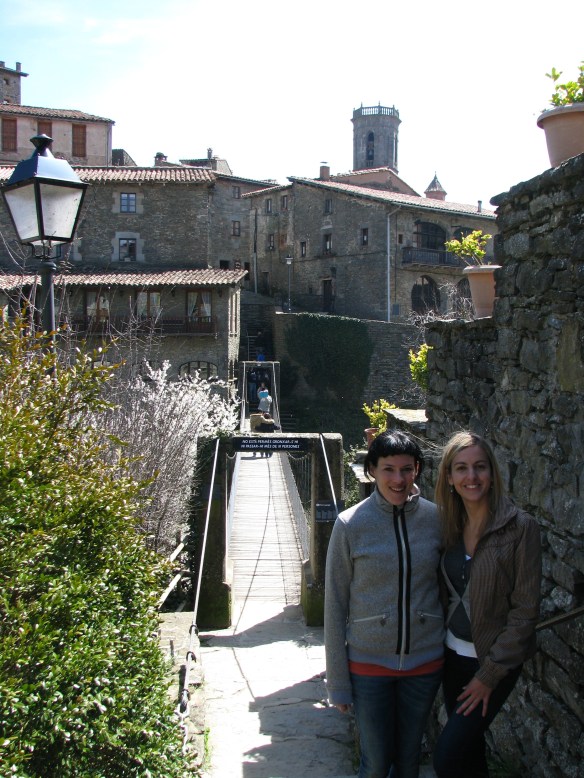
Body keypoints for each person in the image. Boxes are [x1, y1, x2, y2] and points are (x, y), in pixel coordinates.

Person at [324, 430, 444, 778]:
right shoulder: (350, 525)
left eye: (407, 469)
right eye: (388, 469)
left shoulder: (436, 520)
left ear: (417, 470)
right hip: (368, 667)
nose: (398, 479)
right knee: (375, 764)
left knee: (408, 763)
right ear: (371, 471)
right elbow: (334, 605)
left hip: (424, 663)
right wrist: (338, 682)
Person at [432, 431, 541, 778]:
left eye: (480, 467)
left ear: (492, 473)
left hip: (491, 663)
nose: (472, 477)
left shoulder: (520, 528)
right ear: (449, 477)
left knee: (446, 758)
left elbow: (525, 611)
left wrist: (490, 675)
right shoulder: (448, 524)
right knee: (469, 755)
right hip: (451, 659)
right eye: (461, 469)